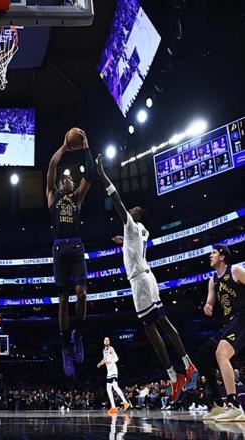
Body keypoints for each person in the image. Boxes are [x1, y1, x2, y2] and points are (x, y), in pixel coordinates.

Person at [96, 154, 198, 403]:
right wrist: (124, 241)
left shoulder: (132, 225)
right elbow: (134, 241)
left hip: (140, 283)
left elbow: (117, 200)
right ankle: (187, 365)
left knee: (151, 330)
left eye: (133, 212)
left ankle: (174, 376)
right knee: (163, 322)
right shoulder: (142, 231)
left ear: (136, 216)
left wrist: (102, 174)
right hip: (148, 278)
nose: (129, 212)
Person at [46, 128, 94, 377]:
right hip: (59, 247)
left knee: (82, 294)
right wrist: (65, 147)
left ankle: (79, 335)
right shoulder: (52, 196)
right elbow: (52, 166)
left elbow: (91, 174)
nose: (66, 179)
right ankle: (65, 346)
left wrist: (85, 147)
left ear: (74, 185)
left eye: (70, 179)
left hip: (75, 246)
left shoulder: (76, 199)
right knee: (63, 299)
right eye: (63, 179)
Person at [200, 244, 245, 422]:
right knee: (204, 354)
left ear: (222, 256)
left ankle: (234, 406)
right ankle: (218, 405)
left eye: (213, 253)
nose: (210, 256)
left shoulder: (235, 270)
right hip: (229, 321)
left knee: (222, 353)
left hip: (242, 316)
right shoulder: (213, 280)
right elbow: (210, 300)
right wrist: (207, 306)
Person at [97, 337, 129, 415]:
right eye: (105, 340)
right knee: (108, 388)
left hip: (113, 370)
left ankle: (125, 402)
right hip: (109, 372)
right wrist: (100, 363)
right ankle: (113, 407)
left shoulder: (111, 348)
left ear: (109, 342)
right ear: (103, 342)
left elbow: (116, 358)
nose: (106, 341)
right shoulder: (104, 350)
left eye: (108, 340)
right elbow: (104, 359)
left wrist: (110, 361)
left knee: (115, 387)